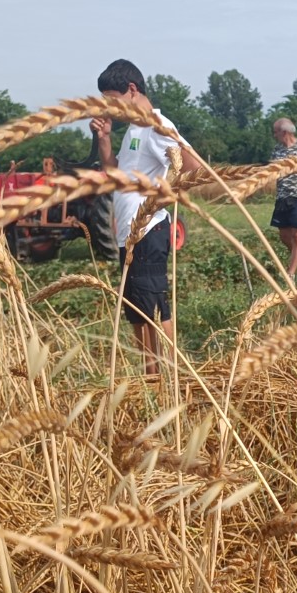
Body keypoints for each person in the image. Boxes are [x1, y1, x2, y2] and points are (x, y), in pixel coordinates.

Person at [90, 58, 204, 375]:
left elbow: (196, 170)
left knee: (153, 307)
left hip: (148, 231)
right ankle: (151, 372)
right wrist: (104, 139)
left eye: (111, 100)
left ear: (131, 90)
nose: (109, 108)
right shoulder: (134, 130)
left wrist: (159, 200)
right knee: (138, 310)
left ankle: (164, 374)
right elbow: (115, 173)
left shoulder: (158, 127)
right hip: (129, 233)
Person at [268, 118, 297, 281]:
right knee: (284, 235)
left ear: (284, 132)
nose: (274, 135)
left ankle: (290, 274)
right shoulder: (277, 150)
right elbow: (271, 170)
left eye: (275, 131)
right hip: (282, 196)